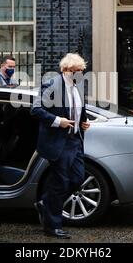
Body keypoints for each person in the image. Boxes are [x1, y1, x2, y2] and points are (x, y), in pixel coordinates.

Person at [31, 53, 90, 239]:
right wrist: (58, 121)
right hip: (59, 142)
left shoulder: (78, 86)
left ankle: (45, 204)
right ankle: (53, 225)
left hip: (75, 141)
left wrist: (84, 122)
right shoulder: (51, 85)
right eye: (76, 71)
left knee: (77, 179)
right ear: (65, 71)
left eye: (81, 71)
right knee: (60, 182)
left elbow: (80, 109)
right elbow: (36, 109)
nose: (80, 74)